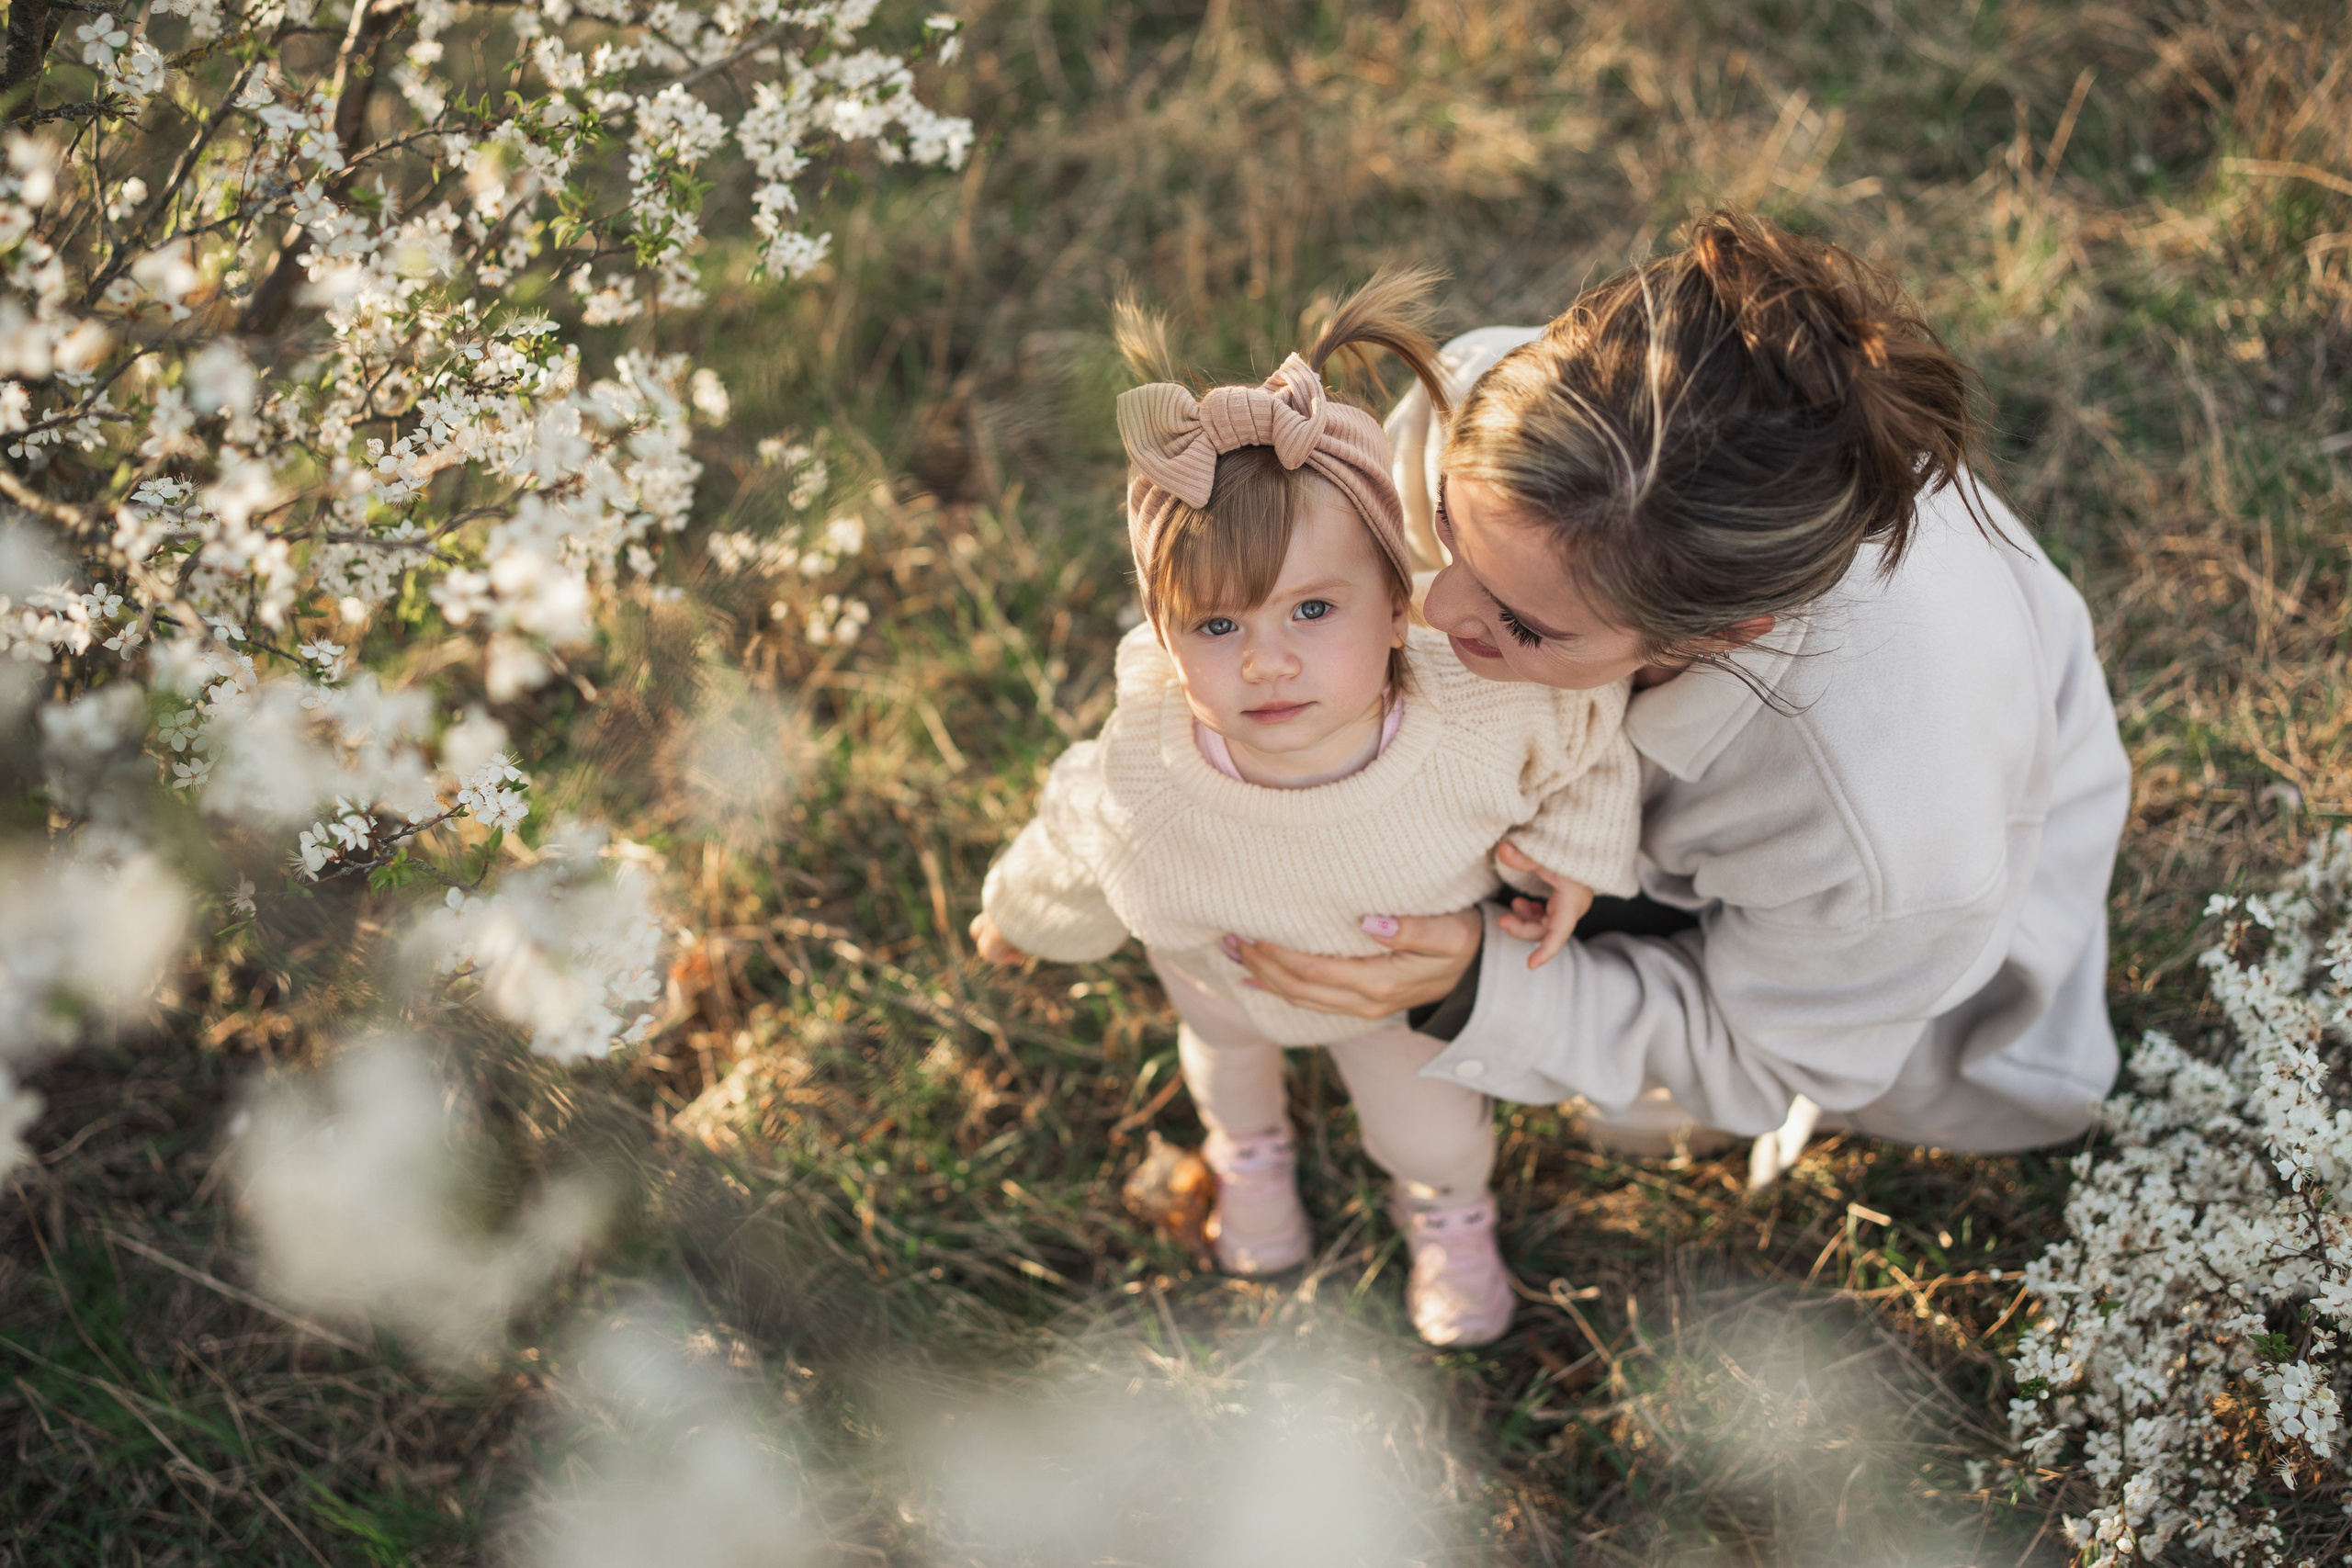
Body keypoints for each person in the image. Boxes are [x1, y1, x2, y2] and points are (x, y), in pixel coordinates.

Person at [1225, 212, 2132, 1165]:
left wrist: (1477, 985)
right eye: (1448, 523)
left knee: (1621, 1119)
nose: (1434, 607)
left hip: (1878, 998)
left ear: (1721, 636)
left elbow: (1755, 1059)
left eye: (1526, 624)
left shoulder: (1880, 831)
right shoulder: (1492, 411)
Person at [967, 276, 1643, 1344]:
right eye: (1216, 625)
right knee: (1225, 1057)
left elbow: (1586, 738)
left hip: (1388, 987)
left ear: (1394, 608)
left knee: (1430, 1130)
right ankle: (1250, 1155)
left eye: (1313, 609)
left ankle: (1448, 1215)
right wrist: (1020, 913)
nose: (1268, 660)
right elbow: (1076, 829)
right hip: (1224, 966)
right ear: (1163, 630)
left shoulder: (1473, 711)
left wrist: (1573, 852)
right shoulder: (1148, 757)